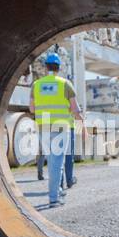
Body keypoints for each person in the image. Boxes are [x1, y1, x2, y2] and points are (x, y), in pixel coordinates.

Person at [31, 52, 83, 207]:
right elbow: (75, 109)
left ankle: (58, 191)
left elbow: (32, 109)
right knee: (57, 163)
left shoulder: (36, 85)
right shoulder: (65, 84)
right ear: (59, 68)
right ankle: (53, 199)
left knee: (52, 162)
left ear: (46, 67)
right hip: (61, 128)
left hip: (43, 127)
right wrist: (80, 120)